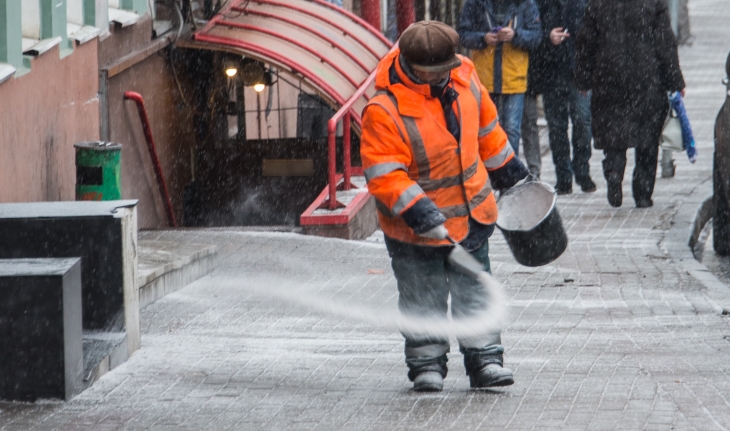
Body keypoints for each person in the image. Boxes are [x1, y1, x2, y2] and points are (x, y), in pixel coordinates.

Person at [360, 21, 529, 392]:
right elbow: (385, 173)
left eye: (446, 70)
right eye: (434, 73)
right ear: (411, 65)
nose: (443, 78)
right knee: (423, 295)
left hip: (471, 216)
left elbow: (487, 129)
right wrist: (417, 208)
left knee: (475, 290)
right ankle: (426, 364)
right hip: (414, 228)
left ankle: (485, 359)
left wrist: (507, 168)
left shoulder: (465, 76)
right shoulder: (384, 110)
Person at [575, 0, 685, 207]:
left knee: (614, 130)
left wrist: (583, 77)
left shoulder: (598, 3)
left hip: (608, 75)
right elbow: (665, 42)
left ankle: (614, 170)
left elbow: (585, 41)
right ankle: (642, 194)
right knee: (647, 138)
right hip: (647, 77)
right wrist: (675, 80)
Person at [458, 0, 541, 157]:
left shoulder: (526, 4)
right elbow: (462, 35)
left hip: (514, 76)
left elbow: (536, 37)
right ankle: (492, 172)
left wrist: (515, 35)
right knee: (486, 129)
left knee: (511, 129)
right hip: (484, 78)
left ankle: (511, 173)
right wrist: (483, 38)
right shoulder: (475, 3)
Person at [531, 0, 596, 195]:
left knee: (583, 122)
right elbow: (531, 33)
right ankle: (563, 177)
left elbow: (593, 33)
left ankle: (582, 171)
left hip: (579, 73)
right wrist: (547, 37)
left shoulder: (583, 4)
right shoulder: (541, 4)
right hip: (551, 73)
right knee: (557, 128)